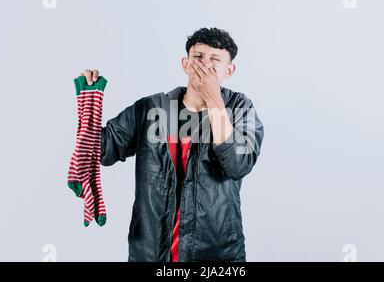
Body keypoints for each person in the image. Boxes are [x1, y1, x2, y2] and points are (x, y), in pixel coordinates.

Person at [79, 27, 264, 262]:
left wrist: (214, 98)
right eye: (198, 57)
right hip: (150, 254)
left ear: (229, 70)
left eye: (215, 59)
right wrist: (89, 104)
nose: (205, 65)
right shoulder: (150, 109)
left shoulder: (240, 109)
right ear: (185, 64)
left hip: (217, 256)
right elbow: (98, 152)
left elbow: (239, 165)